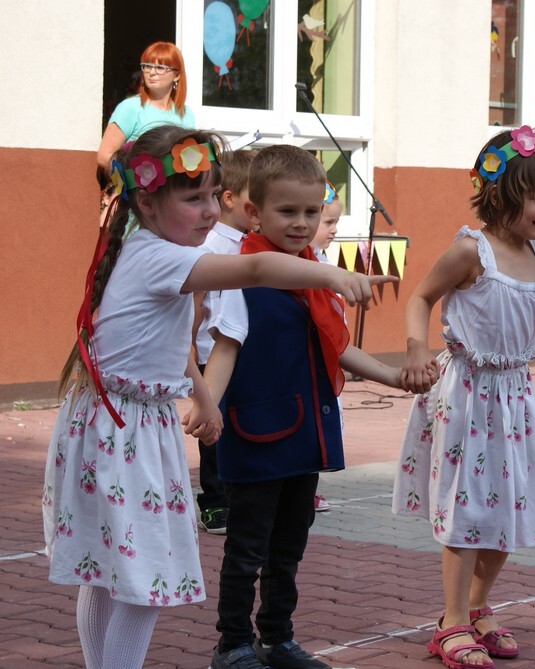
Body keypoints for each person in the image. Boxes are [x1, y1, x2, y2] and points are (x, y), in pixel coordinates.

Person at [42, 126, 393, 669]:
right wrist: (330, 272)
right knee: (146, 580)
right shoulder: (163, 257)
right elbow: (254, 268)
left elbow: (165, 338)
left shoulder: (144, 247)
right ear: (147, 201)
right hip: (125, 429)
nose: (209, 211)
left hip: (113, 423)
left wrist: (203, 395)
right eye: (193, 198)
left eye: (211, 195)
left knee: (108, 572)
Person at [393, 125, 535, 669]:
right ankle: (452, 621)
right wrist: (416, 349)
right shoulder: (471, 251)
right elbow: (419, 298)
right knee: (468, 508)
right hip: (466, 391)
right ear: (505, 192)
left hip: (513, 396)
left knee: (510, 507)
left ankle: (479, 607)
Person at [201, 145, 406, 669]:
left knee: (289, 546)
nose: (301, 223)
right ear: (254, 212)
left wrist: (396, 377)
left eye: (311, 213)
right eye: (287, 212)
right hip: (254, 432)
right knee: (247, 548)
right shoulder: (239, 272)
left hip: (304, 434)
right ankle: (232, 644)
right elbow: (224, 346)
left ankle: (277, 638)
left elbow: (336, 346)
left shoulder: (316, 271)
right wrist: (205, 404)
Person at [192, 148, 259, 534]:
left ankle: (237, 493)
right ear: (230, 198)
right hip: (208, 351)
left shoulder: (252, 243)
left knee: (235, 423)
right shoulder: (212, 246)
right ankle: (214, 501)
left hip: (240, 348)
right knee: (211, 426)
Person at [97, 42, 195, 170]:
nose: (151, 72)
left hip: (174, 189)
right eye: (147, 66)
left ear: (176, 75)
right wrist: (134, 178)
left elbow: (190, 162)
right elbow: (104, 156)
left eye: (160, 67)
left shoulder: (186, 115)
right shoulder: (131, 108)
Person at [306, 182, 344, 513]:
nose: (333, 230)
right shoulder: (304, 265)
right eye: (328, 223)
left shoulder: (323, 260)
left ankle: (310, 488)